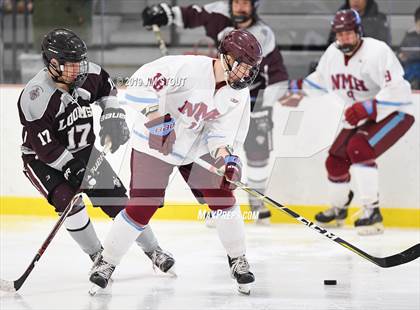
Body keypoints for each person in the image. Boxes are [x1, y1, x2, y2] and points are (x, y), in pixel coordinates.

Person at [89, 29, 263, 295]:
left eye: (251, 69)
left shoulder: (238, 96)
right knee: (142, 205)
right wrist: (156, 118)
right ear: (226, 58)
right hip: (153, 143)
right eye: (242, 67)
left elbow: (221, 136)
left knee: (222, 196)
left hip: (194, 148)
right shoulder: (186, 68)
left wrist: (226, 160)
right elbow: (135, 85)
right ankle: (107, 262)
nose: (246, 74)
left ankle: (237, 258)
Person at [17, 28, 175, 274]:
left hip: (84, 152)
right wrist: (71, 168)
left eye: (80, 62)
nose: (79, 70)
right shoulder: (36, 96)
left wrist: (112, 114)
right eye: (70, 65)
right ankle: (98, 256)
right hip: (42, 160)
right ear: (53, 64)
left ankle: (154, 250)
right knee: (70, 203)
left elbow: (107, 88)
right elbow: (44, 147)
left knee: (119, 203)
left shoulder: (88, 74)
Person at [141, 0, 290, 224]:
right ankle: (215, 203)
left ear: (255, 6)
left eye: (245, 3)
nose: (240, 7)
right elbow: (193, 14)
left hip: (252, 96)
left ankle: (257, 203)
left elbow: (277, 72)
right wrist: (165, 13)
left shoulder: (264, 34)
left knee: (257, 149)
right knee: (210, 148)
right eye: (236, 2)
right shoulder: (219, 13)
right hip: (218, 94)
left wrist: (263, 105)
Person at [280, 10, 414, 235]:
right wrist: (295, 89)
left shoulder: (377, 51)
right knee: (335, 160)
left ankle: (372, 212)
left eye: (348, 33)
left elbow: (400, 89)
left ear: (359, 31)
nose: (344, 38)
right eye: (340, 34)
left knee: (358, 148)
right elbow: (320, 81)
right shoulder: (332, 53)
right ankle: (339, 209)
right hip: (359, 115)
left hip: (396, 112)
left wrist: (368, 106)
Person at [327, 0, 391, 45]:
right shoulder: (339, 19)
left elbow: (383, 44)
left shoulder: (379, 19)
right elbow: (332, 42)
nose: (355, 1)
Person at [398, 6, 420, 90]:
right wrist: (401, 56)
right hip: (411, 67)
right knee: (412, 69)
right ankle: (413, 83)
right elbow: (400, 52)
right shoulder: (409, 36)